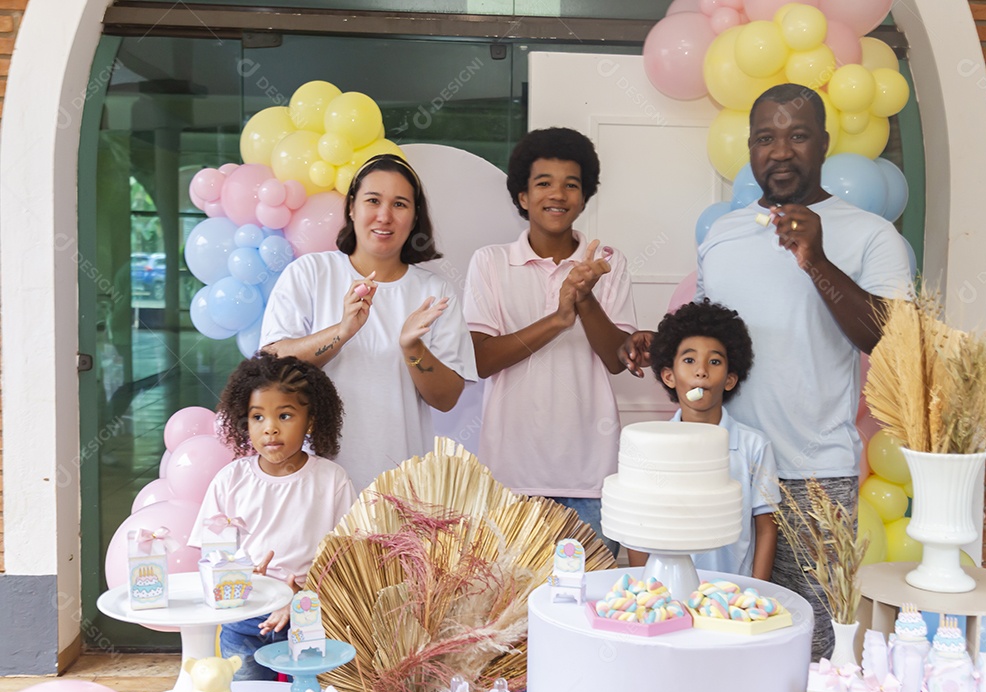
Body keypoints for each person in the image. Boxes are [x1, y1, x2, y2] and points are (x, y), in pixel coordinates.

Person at [620, 84, 911, 658]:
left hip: (813, 474)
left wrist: (816, 260)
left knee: (813, 643)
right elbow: (706, 334)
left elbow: (889, 341)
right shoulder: (723, 236)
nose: (780, 150)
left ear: (824, 144)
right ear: (750, 148)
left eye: (797, 135)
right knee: (710, 635)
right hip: (719, 470)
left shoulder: (872, 234)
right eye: (765, 137)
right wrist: (657, 343)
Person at [463, 127, 637, 558]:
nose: (557, 194)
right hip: (509, 480)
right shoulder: (490, 262)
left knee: (585, 616)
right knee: (508, 620)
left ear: (583, 196)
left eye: (571, 184)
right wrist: (559, 319)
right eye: (543, 183)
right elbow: (481, 359)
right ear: (523, 196)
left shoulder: (608, 263)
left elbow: (617, 359)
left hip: (592, 478)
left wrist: (584, 295)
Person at [261, 154, 477, 491]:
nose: (384, 216)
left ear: (415, 216)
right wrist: (342, 331)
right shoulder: (310, 273)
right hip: (313, 484)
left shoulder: (435, 291)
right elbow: (273, 364)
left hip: (401, 488)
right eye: (372, 200)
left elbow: (447, 398)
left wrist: (413, 348)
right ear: (351, 207)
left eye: (400, 204)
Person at [189, 353, 358, 681]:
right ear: (245, 421)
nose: (270, 429)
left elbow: (347, 555)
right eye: (258, 417)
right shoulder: (230, 480)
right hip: (244, 618)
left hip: (311, 615)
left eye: (284, 415)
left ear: (310, 420)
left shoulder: (332, 480)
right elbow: (211, 555)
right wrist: (237, 574)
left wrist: (301, 594)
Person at [644, 299, 778, 581]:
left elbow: (766, 527)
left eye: (714, 361)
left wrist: (757, 590)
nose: (701, 371)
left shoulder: (754, 446)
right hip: (665, 595)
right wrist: (645, 590)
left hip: (731, 594)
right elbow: (640, 527)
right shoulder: (652, 445)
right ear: (669, 376)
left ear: (729, 380)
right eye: (689, 360)